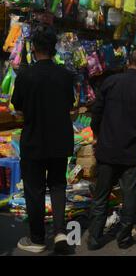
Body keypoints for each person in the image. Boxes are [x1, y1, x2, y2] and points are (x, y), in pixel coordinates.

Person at [11, 26, 75, 254]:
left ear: (34, 48)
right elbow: (70, 103)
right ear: (54, 48)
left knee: (34, 189)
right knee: (58, 186)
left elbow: (17, 105)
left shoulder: (25, 75)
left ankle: (37, 238)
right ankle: (59, 232)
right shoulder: (66, 75)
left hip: (34, 140)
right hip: (60, 139)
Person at [88, 49, 136, 250]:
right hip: (131, 153)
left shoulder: (110, 82)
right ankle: (124, 238)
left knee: (101, 196)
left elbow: (97, 113)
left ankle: (94, 238)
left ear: (128, 62)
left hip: (107, 149)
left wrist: (97, 135)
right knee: (130, 197)